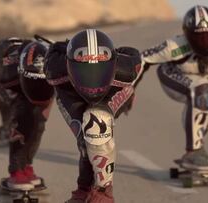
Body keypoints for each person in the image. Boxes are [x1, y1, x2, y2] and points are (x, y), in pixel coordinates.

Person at [44, 29, 144, 203]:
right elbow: (53, 51)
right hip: (71, 94)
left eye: (100, 70)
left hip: (114, 90)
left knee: (96, 120)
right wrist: (62, 46)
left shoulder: (127, 70)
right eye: (84, 71)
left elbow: (134, 55)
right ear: (68, 65)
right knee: (85, 139)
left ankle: (104, 191)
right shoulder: (55, 69)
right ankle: (84, 190)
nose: (92, 78)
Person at [141, 5, 208, 170]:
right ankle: (193, 152)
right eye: (198, 37)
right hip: (173, 75)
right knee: (201, 93)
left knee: (203, 111)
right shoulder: (174, 47)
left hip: (205, 78)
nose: (204, 42)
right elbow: (143, 59)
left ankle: (198, 149)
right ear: (187, 35)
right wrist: (128, 89)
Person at [0, 38, 54, 191]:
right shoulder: (3, 71)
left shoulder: (56, 64)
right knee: (22, 117)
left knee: (38, 122)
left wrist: (39, 118)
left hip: (27, 59)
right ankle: (16, 172)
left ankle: (27, 166)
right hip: (3, 69)